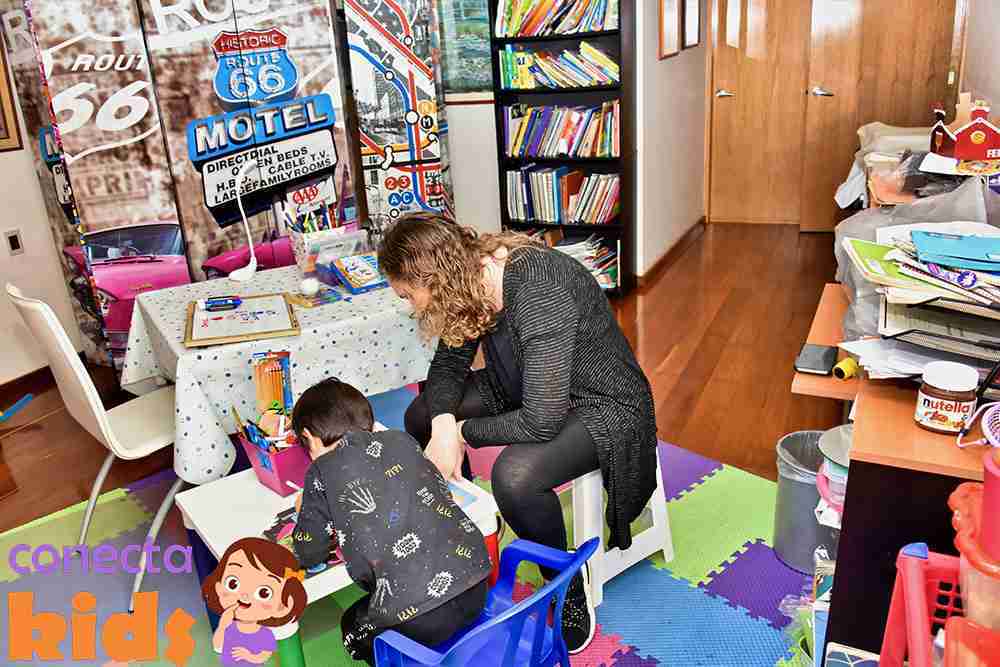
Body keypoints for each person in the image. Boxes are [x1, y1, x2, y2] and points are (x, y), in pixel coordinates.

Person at [379, 213, 658, 654]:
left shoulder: (536, 283)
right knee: (422, 415)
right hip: (526, 382)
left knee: (515, 476)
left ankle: (564, 585)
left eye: (410, 294)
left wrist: (462, 432)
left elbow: (542, 420)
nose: (413, 307)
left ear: (434, 277)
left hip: (602, 402)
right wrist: (443, 425)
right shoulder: (469, 280)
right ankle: (468, 528)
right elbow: (449, 367)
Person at [290, 378, 491, 665]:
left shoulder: (321, 471)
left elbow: (310, 551)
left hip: (419, 620)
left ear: (309, 436)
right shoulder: (401, 439)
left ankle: (402, 659)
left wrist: (305, 512)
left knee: (352, 627)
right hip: (476, 586)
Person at [201, 537, 308, 666]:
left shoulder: (264, 633)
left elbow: (264, 655)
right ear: (218, 587)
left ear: (282, 607)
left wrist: (249, 656)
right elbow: (218, 646)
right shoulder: (229, 626)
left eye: (264, 592)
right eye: (233, 583)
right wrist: (223, 626)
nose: (245, 596)